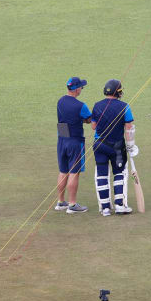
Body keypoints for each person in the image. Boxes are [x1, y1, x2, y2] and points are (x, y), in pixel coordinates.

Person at [90, 79, 137, 216]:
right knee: (119, 174)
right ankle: (119, 205)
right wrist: (131, 145)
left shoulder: (97, 105)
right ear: (119, 92)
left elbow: (93, 126)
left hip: (99, 145)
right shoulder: (124, 106)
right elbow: (129, 127)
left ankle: (105, 208)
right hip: (117, 146)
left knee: (102, 174)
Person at [55, 77, 90, 214]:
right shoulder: (81, 106)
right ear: (76, 89)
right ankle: (72, 204)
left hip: (62, 139)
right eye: (81, 87)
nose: (82, 88)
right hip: (75, 141)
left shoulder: (60, 101)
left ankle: (61, 201)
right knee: (74, 173)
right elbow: (88, 119)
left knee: (63, 171)